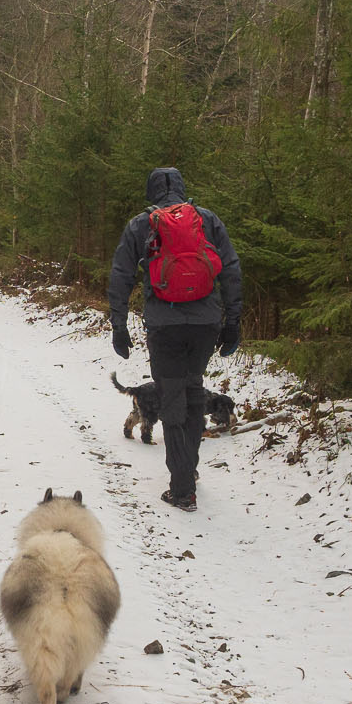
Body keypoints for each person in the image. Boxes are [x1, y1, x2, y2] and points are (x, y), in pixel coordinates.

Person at [106, 167, 242, 513]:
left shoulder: (142, 224)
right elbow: (230, 269)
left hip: (164, 325)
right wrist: (233, 322)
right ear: (183, 189)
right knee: (194, 391)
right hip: (205, 323)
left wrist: (119, 324)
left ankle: (182, 489)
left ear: (152, 193)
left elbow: (122, 274)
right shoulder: (207, 219)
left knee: (172, 400)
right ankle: (189, 472)